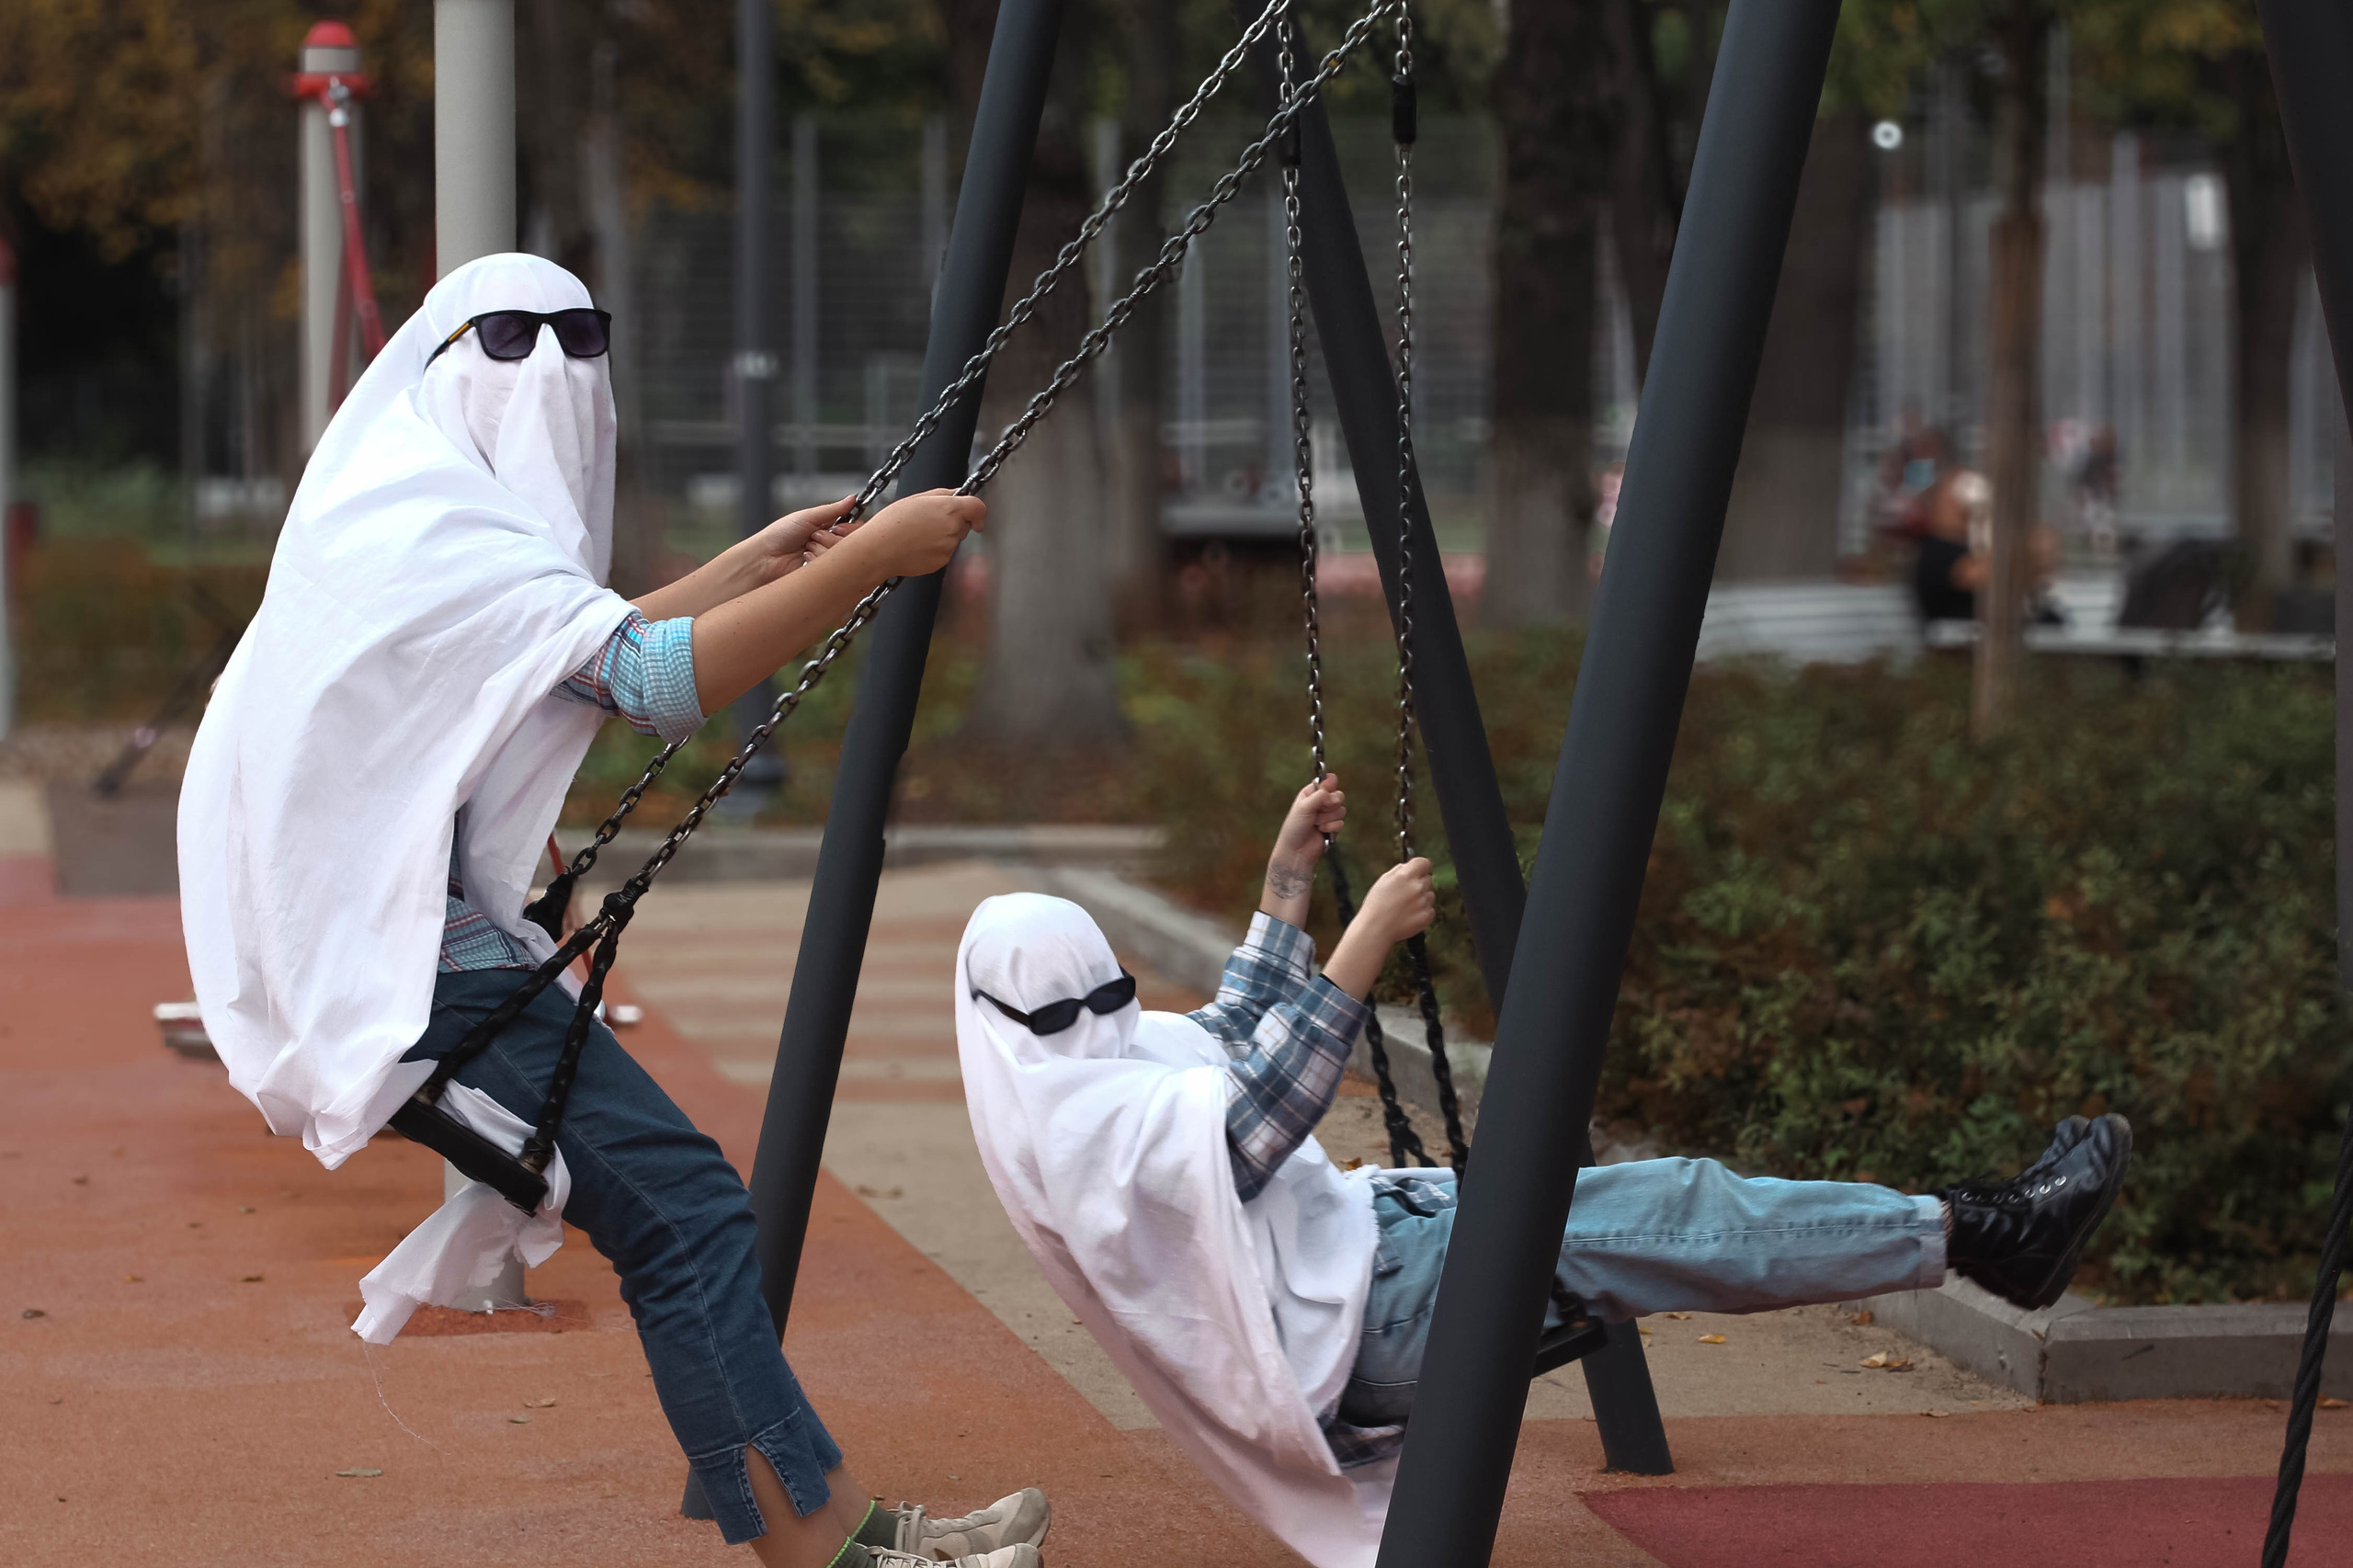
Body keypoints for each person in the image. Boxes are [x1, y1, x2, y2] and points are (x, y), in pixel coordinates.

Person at [180, 254, 1045, 1568]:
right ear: (440, 352)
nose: (554, 366)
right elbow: (643, 682)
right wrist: (871, 560)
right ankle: (829, 1545)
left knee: (677, 1212)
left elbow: (545, 654)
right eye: (516, 335)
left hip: (421, 960)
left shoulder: (398, 500)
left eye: (583, 333)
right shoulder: (430, 523)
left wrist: (748, 567)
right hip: (409, 978)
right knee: (686, 1212)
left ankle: (834, 1525)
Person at [954, 774, 2132, 1568]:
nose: (1111, 1012)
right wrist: (1362, 942)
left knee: (1654, 1205)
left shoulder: (1074, 1060)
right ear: (1012, 1016)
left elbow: (1225, 1027)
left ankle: (1976, 1227)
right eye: (1087, 1002)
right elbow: (1253, 1117)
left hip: (1368, 1258)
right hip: (1365, 1329)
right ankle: (1986, 1232)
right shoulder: (1076, 1129)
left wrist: (1284, 878)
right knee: (1673, 1205)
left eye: (1115, 988)